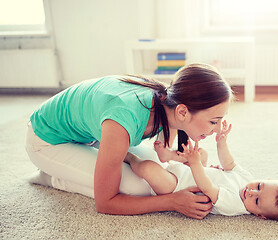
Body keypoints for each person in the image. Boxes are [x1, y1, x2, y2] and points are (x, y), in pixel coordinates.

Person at [25, 63, 233, 219]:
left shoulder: (167, 104)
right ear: (182, 111)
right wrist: (172, 202)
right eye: (214, 121)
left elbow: (167, 158)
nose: (216, 130)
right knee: (139, 188)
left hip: (90, 135)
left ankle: (78, 166)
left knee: (157, 169)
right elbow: (106, 204)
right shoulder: (123, 120)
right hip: (47, 141)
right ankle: (52, 176)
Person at [126, 121, 278, 221]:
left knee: (148, 168)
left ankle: (129, 158)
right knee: (203, 154)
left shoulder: (235, 205)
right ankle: (167, 155)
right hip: (190, 171)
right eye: (260, 186)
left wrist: (195, 165)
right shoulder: (247, 179)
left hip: (177, 186)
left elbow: (208, 188)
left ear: (260, 215)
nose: (252, 192)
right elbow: (229, 163)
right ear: (265, 179)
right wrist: (221, 143)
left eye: (257, 201)